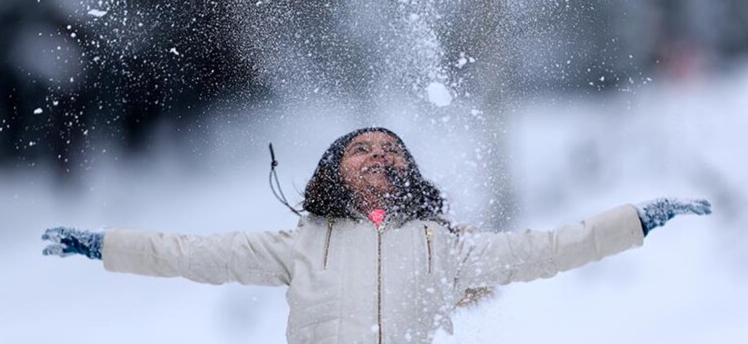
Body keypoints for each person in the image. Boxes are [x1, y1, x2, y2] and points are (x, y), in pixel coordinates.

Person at [42, 127, 711, 343]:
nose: (380, 155)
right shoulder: (300, 244)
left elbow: (547, 249)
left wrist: (637, 220)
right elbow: (188, 255)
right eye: (362, 148)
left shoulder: (442, 246)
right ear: (333, 171)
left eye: (393, 149)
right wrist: (104, 245)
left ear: (410, 172)